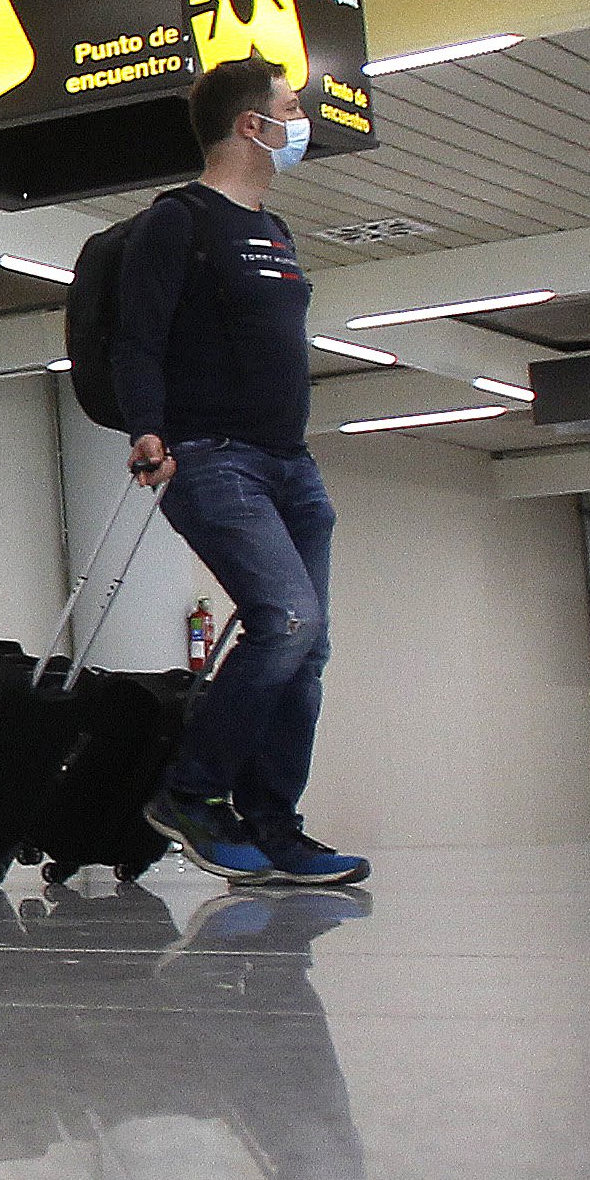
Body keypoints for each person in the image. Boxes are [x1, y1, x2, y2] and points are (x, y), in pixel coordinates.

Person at [120, 55, 368, 889]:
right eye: (290, 109)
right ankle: (189, 794)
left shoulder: (275, 231)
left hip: (290, 466)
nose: (301, 123)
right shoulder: (179, 222)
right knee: (287, 621)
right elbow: (138, 337)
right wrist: (147, 428)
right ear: (250, 127)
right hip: (214, 459)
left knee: (310, 645)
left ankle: (272, 827)